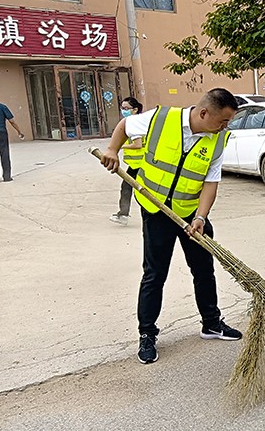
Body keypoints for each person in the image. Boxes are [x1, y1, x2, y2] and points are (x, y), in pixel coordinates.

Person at [99, 88, 242, 364]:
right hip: (156, 210)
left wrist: (200, 217)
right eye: (222, 121)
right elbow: (125, 125)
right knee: (154, 274)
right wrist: (112, 150)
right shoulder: (161, 119)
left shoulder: (217, 140)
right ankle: (147, 335)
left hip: (190, 212)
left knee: (204, 270)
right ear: (203, 113)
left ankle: (211, 323)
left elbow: (211, 182)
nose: (225, 127)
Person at [108, 97, 144, 226]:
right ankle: (123, 214)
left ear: (135, 109)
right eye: (122, 108)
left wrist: (120, 146)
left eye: (127, 108)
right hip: (138, 164)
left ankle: (123, 215)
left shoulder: (134, 123)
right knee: (129, 188)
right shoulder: (136, 121)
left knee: (128, 188)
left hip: (139, 164)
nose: (124, 111)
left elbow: (138, 144)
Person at [0, 89, 25, 182]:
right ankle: (7, 176)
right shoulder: (2, 107)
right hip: (1, 132)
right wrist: (19, 131)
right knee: (4, 152)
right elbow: (12, 121)